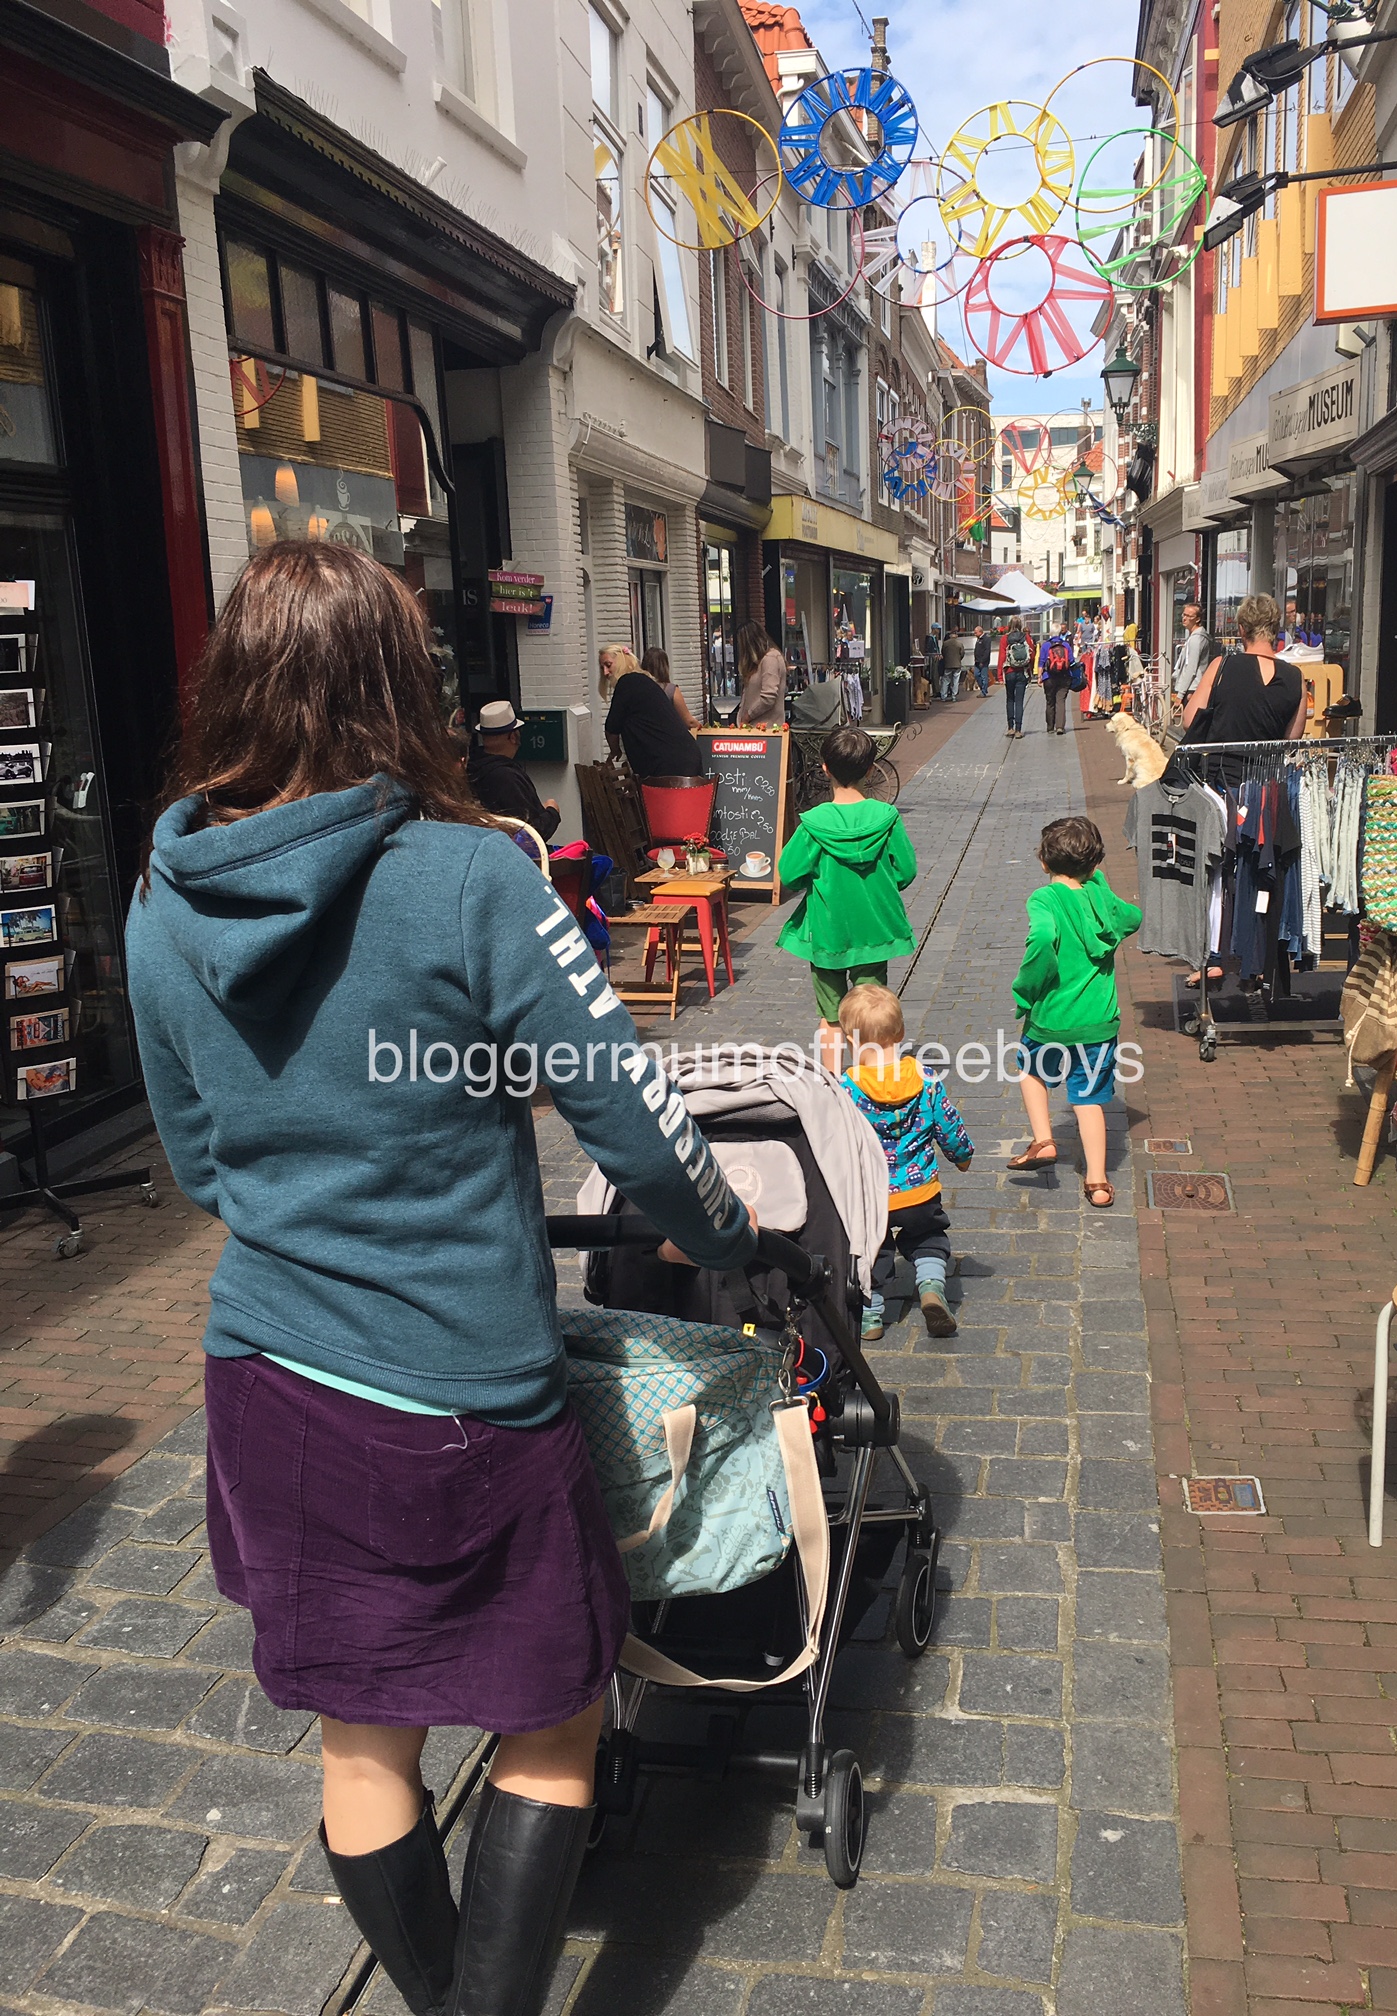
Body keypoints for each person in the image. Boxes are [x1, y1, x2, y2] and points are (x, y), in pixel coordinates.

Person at [126, 542, 756, 2016]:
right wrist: (721, 1231)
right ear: (394, 688)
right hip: (464, 1392)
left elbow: (200, 1159)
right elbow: (629, 1116)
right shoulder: (474, 875)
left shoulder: (164, 893)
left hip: (272, 1377)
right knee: (553, 1713)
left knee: (363, 1741)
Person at [1008, 816, 1142, 1209]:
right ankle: (1097, 1182)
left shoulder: (1044, 899)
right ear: (1094, 863)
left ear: (1044, 862)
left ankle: (1044, 1140)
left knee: (1031, 1070)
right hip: (1098, 1021)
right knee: (1089, 1099)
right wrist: (1099, 887)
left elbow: (1043, 937)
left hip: (1051, 1018)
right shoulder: (1100, 895)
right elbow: (1132, 918)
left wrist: (1026, 990)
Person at [776, 723, 917, 1075]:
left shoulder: (814, 823)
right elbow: (906, 870)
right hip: (876, 928)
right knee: (872, 1012)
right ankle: (873, 1079)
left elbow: (789, 874)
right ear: (870, 769)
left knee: (831, 1015)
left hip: (829, 930)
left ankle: (835, 1084)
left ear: (824, 768)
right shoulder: (886, 818)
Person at [838, 983, 973, 1342]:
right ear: (900, 1033)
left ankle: (870, 1316)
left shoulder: (845, 1088)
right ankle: (930, 1285)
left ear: (850, 1042)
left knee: (871, 1250)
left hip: (870, 1196)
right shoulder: (926, 1080)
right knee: (928, 1236)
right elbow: (948, 1124)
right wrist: (962, 1156)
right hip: (920, 1190)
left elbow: (832, 1139)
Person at [1181, 591, 1306, 780]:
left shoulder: (1221, 666)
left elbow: (1189, 721)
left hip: (1219, 779)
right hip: (1267, 782)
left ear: (1242, 629)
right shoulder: (1295, 676)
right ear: (1275, 629)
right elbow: (1291, 738)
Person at [600, 645, 703, 777]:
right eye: (602, 667)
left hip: (666, 763)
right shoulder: (643, 681)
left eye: (608, 665)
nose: (605, 672)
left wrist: (615, 751)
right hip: (684, 757)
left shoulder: (626, 683)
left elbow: (611, 728)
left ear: (621, 661)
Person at [466, 700, 561, 840]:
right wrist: (552, 811)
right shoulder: (506, 777)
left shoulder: (471, 768)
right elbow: (530, 835)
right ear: (513, 736)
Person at [735, 621, 785, 726]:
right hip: (753, 728)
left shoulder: (770, 659)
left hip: (766, 728)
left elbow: (768, 698)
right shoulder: (760, 661)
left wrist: (747, 716)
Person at [642, 645, 697, 732]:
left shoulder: (639, 690)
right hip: (665, 736)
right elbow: (689, 722)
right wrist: (701, 727)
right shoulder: (670, 690)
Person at [1171, 602, 1211, 714]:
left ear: (1197, 619)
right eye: (1184, 615)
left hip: (1192, 688)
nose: (1184, 618)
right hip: (1192, 687)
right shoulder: (1194, 637)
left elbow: (1191, 668)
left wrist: (1180, 695)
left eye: (1189, 616)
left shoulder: (1196, 640)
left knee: (1189, 721)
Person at [1040, 625, 1075, 734]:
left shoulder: (1045, 645)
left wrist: (1039, 677)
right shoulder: (1066, 645)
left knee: (1050, 701)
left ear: (1050, 633)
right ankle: (1060, 727)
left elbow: (1041, 662)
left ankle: (1050, 727)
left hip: (1049, 677)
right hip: (1064, 677)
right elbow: (1071, 661)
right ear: (1060, 632)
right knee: (1061, 701)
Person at [1002, 618, 1033, 739]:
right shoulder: (1026, 637)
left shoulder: (1005, 638)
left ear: (1009, 625)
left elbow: (1001, 657)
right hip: (1022, 672)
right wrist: (1030, 671)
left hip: (1009, 672)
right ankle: (1018, 730)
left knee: (1010, 699)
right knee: (1019, 701)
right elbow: (1032, 654)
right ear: (1020, 625)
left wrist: (1000, 675)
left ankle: (1010, 728)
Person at [940, 627, 965, 701]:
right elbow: (962, 653)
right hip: (957, 664)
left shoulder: (945, 643)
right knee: (956, 681)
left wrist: (946, 659)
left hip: (948, 664)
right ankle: (954, 696)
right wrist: (959, 659)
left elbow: (943, 652)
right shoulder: (960, 644)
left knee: (946, 680)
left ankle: (943, 696)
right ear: (956, 636)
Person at [972, 626, 992, 698]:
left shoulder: (986, 639)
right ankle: (983, 688)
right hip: (977, 661)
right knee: (976, 675)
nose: (975, 634)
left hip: (983, 662)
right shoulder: (978, 639)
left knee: (984, 676)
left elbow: (987, 651)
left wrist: (983, 661)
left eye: (976, 633)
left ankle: (983, 691)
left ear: (980, 632)